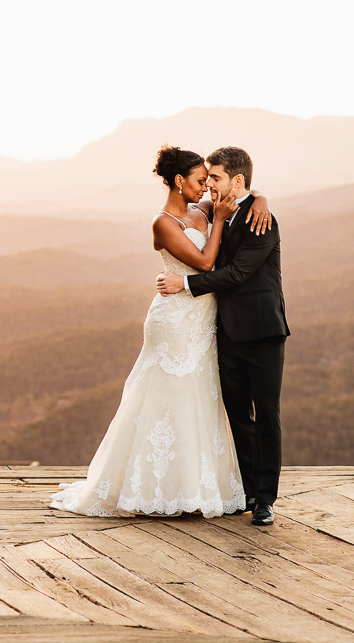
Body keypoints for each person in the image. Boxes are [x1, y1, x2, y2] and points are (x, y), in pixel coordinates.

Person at [50, 145, 271, 518]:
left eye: (208, 180)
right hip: (174, 320)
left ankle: (193, 487)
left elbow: (239, 192)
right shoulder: (164, 223)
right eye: (200, 181)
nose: (205, 188)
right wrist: (218, 222)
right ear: (179, 181)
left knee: (200, 395)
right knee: (168, 395)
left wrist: (260, 197)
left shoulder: (199, 210)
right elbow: (204, 262)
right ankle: (151, 488)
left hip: (203, 320)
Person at [155, 146, 289, 526]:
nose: (209, 184)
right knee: (236, 415)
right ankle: (245, 490)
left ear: (238, 181)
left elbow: (236, 274)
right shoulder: (217, 210)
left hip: (263, 331)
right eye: (207, 177)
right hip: (223, 332)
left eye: (215, 177)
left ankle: (264, 500)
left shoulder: (263, 220)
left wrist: (185, 283)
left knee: (266, 416)